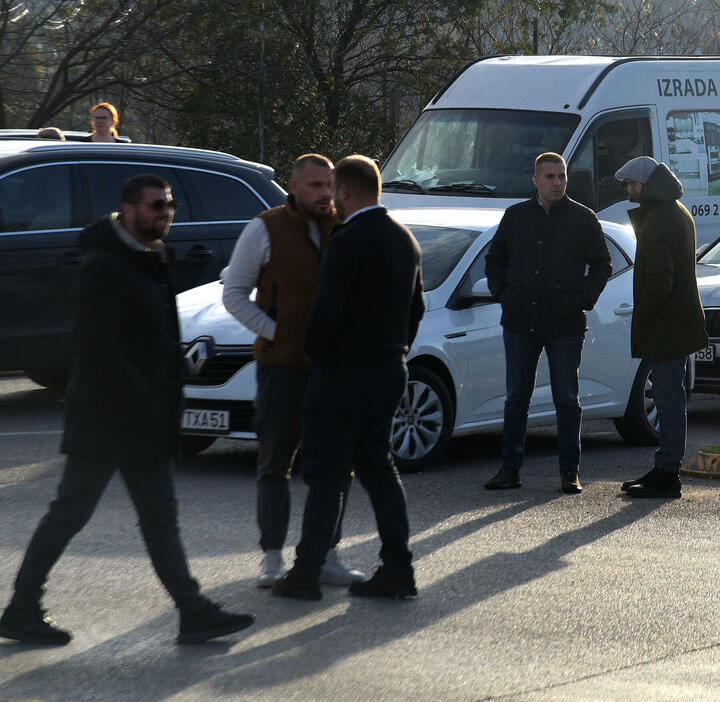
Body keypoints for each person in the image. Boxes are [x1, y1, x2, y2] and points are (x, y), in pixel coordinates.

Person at [0, 174, 254, 645]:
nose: (166, 212)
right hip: (106, 417)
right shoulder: (105, 265)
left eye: (170, 205)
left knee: (160, 517)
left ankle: (193, 611)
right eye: (156, 205)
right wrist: (144, 400)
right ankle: (21, 609)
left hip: (143, 417)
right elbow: (96, 347)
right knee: (69, 515)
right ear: (128, 209)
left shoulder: (147, 258)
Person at [273, 155, 424, 600]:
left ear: (344, 192)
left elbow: (328, 309)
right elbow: (416, 308)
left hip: (343, 373)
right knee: (378, 467)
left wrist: (314, 353)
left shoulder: (348, 239)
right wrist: (396, 348)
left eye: (334, 192)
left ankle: (306, 573)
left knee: (326, 472)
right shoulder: (404, 239)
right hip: (387, 369)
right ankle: (398, 568)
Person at [223, 154, 363, 588]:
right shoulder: (265, 227)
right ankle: (271, 559)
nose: (325, 194)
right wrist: (276, 333)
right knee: (275, 464)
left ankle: (328, 556)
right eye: (316, 186)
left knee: (337, 466)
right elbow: (234, 293)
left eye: (329, 186)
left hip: (335, 371)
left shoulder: (346, 226)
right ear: (294, 186)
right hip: (282, 370)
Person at [483, 152, 612, 494]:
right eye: (551, 177)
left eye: (562, 176)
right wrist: (504, 294)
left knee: (567, 399)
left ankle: (569, 471)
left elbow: (602, 265)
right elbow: (494, 261)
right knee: (516, 399)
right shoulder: (515, 217)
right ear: (536, 180)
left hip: (565, 324)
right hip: (520, 321)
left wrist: (582, 299)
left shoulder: (583, 218)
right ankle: (510, 468)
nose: (558, 183)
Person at [615, 156, 708, 499]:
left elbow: (659, 280)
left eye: (628, 185)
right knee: (671, 399)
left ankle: (667, 473)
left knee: (669, 401)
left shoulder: (659, 219)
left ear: (641, 185)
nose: (626, 190)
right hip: (677, 323)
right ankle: (664, 468)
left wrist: (645, 317)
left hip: (668, 326)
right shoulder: (675, 211)